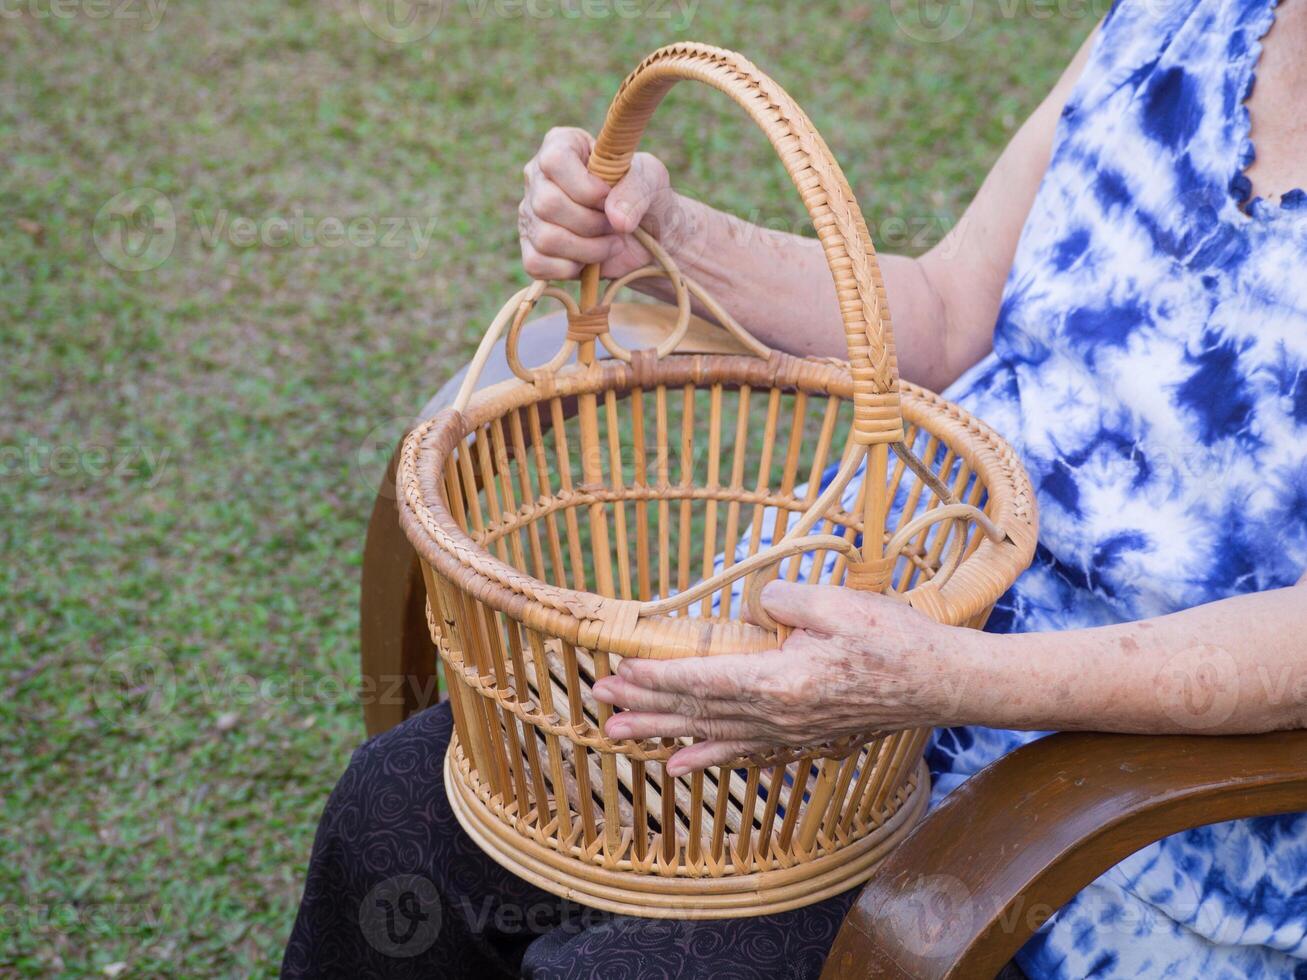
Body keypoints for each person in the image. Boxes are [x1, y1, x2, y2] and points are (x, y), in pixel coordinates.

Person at [284, 2, 1307, 976]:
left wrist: (939, 674)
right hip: (842, 624)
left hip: (1107, 803)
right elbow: (948, 310)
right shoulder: (1176, 17)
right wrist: (657, 237)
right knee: (396, 813)